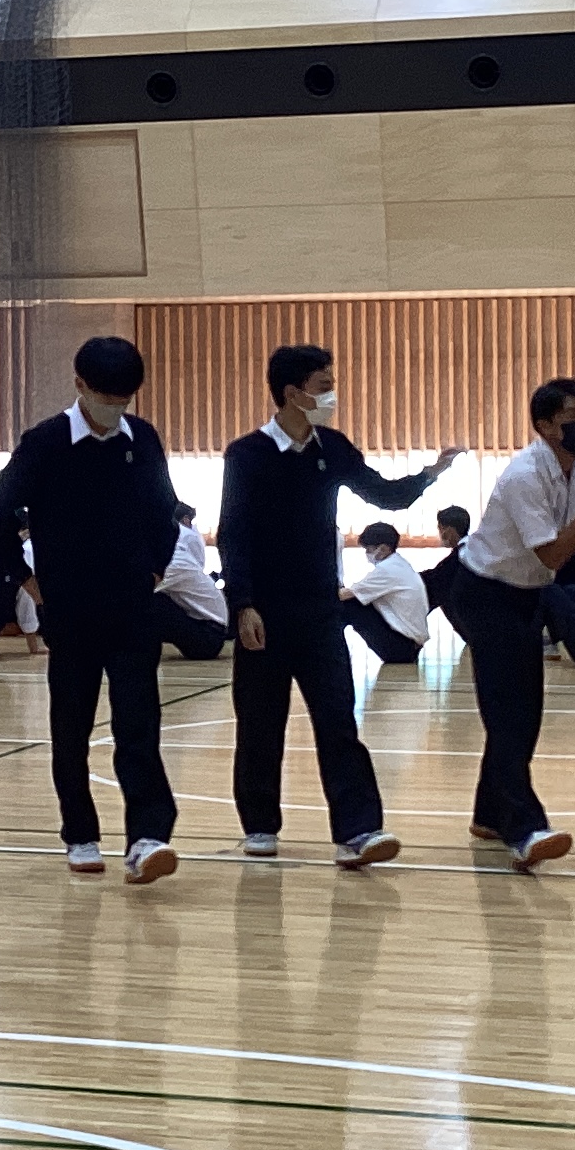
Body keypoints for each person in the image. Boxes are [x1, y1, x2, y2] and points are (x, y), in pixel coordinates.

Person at [218, 344, 455, 867]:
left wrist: (431, 474)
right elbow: (234, 533)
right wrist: (243, 604)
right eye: (323, 386)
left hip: (320, 608)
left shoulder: (333, 447)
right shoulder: (247, 454)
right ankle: (259, 825)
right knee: (260, 725)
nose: (332, 395)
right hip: (264, 612)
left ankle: (358, 829)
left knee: (337, 720)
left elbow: (386, 496)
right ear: (292, 393)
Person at [0, 336, 188, 881]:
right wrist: (31, 584)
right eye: (105, 396)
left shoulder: (143, 438)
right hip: (69, 611)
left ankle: (148, 836)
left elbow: (164, 513)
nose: (115, 407)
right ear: (79, 385)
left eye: (125, 398)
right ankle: (80, 833)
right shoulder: (45, 442)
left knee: (139, 724)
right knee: (71, 727)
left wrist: (154, 570)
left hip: (133, 608)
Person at [445, 381, 575, 873]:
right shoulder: (525, 475)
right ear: (544, 426)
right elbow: (554, 553)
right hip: (483, 592)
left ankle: (488, 815)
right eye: (572, 414)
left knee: (524, 713)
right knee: (510, 715)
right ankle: (524, 829)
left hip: (526, 594)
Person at [341, 523, 430, 666]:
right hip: (410, 645)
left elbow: (346, 594)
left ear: (383, 548)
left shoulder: (387, 569)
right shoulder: (398, 563)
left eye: (369, 549)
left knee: (349, 606)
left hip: (401, 648)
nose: (367, 554)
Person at [155, 502, 232, 659]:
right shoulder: (180, 549)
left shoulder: (175, 561)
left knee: (147, 604)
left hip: (209, 635)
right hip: (206, 626)